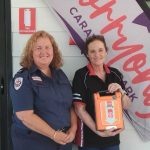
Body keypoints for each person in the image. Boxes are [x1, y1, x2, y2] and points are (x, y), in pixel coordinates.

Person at [9, 30, 77, 150]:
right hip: (34, 143)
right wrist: (54, 134)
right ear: (31, 52)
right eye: (38, 48)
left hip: (62, 142)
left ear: (53, 51)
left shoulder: (59, 74)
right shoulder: (23, 77)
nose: (44, 52)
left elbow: (70, 105)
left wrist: (73, 128)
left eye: (47, 47)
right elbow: (25, 116)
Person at [72, 35, 131, 150]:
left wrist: (121, 91)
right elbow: (79, 110)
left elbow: (127, 105)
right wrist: (100, 132)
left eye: (100, 50)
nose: (97, 55)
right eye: (92, 51)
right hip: (90, 140)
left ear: (106, 51)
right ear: (87, 54)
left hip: (112, 138)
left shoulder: (115, 74)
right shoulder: (81, 75)